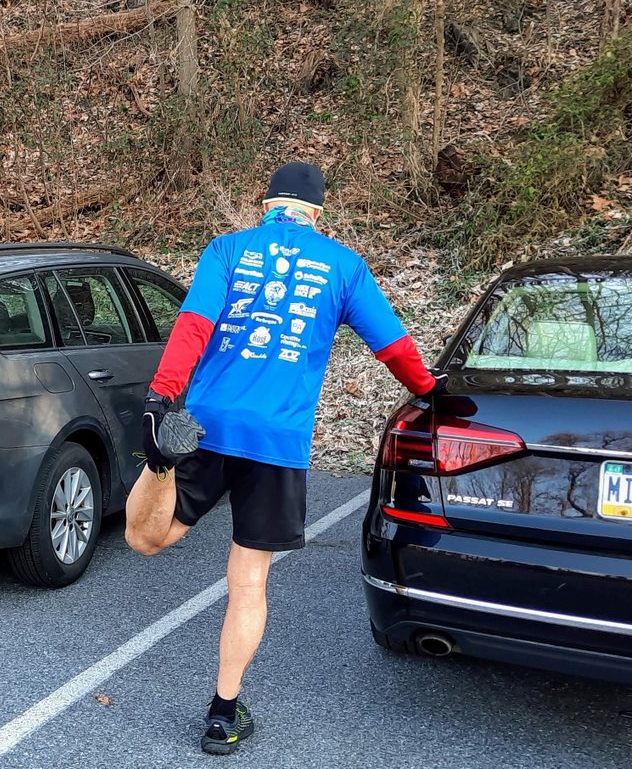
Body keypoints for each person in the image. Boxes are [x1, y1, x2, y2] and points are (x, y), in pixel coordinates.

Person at [123, 162, 441, 756]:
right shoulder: (343, 265)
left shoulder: (227, 250)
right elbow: (393, 346)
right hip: (278, 440)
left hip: (208, 423)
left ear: (266, 204)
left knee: (146, 539)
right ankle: (223, 714)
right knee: (248, 581)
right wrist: (427, 388)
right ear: (317, 213)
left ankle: (161, 463)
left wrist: (160, 397)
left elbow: (192, 326)